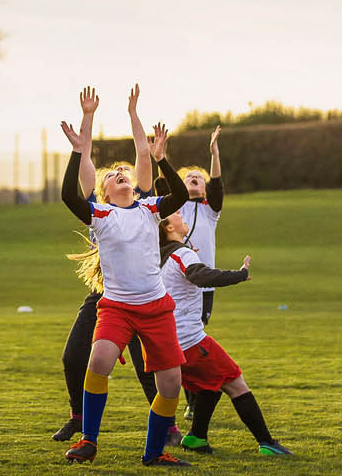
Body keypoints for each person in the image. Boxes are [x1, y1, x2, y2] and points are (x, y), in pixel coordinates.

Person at [60, 87, 194, 466]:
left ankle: (154, 453)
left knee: (171, 384)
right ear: (102, 193)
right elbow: (72, 194)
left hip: (155, 308)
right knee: (97, 359)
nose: (122, 174)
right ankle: (89, 440)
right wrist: (78, 142)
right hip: (117, 307)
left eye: (126, 174)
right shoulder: (100, 216)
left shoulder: (149, 207)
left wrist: (162, 158)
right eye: (114, 176)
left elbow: (179, 193)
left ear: (134, 186)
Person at [156, 211, 290, 456]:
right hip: (190, 341)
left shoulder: (162, 257)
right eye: (176, 214)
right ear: (167, 227)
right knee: (236, 382)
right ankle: (267, 443)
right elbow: (200, 276)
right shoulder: (181, 253)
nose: (181, 214)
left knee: (211, 384)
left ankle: (196, 437)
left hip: (169, 344)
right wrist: (238, 275)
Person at [174, 124, 224, 325]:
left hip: (204, 283)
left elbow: (217, 184)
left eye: (199, 178)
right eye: (189, 176)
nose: (194, 177)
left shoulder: (210, 210)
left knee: (198, 331)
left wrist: (215, 155)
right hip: (176, 280)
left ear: (205, 189)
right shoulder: (174, 206)